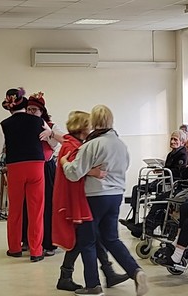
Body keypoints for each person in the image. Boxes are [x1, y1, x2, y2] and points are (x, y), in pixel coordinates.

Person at [60, 105, 148, 296]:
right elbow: (124, 167)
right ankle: (135, 271)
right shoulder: (120, 144)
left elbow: (74, 174)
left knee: (87, 241)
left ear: (93, 122)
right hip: (116, 195)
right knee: (111, 238)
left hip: (94, 197)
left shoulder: (91, 145)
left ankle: (93, 285)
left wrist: (65, 163)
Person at [53, 111, 128, 291]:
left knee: (91, 237)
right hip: (77, 199)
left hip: (81, 197)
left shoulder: (76, 143)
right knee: (84, 239)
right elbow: (73, 171)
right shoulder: (72, 145)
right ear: (81, 128)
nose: (92, 128)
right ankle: (68, 275)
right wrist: (92, 172)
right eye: (89, 125)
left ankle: (105, 273)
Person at [0, 87, 51, 262]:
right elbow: (51, 139)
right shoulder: (38, 121)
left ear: (10, 107)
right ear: (25, 104)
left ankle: (15, 248)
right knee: (36, 210)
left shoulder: (4, 125)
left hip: (15, 167)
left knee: (15, 209)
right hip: (37, 166)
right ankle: (36, 251)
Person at [22, 91, 64, 256]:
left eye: (34, 110)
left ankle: (48, 242)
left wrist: (50, 134)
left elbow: (65, 140)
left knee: (46, 206)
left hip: (45, 168)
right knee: (27, 204)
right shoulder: (23, 125)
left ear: (42, 112)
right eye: (29, 109)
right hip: (28, 168)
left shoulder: (51, 126)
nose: (31, 113)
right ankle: (27, 239)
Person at [120, 130, 188, 226]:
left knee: (143, 189)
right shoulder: (171, 153)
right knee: (136, 188)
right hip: (162, 180)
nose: (172, 141)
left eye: (175, 139)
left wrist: (163, 170)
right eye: (171, 139)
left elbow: (179, 171)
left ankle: (147, 222)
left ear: (182, 142)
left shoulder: (183, 154)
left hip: (169, 182)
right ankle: (134, 218)